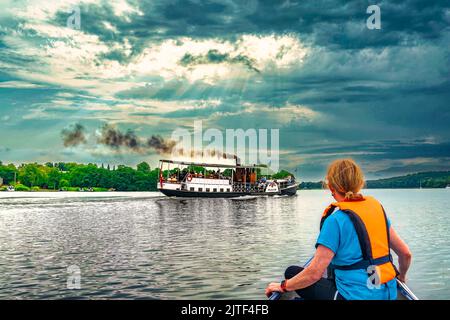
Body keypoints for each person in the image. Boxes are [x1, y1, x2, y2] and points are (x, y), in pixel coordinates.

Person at [265, 159, 412, 300]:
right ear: (359, 183)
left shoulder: (335, 220)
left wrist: (283, 286)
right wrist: (402, 277)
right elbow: (405, 254)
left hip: (352, 297)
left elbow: (314, 274)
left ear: (331, 187)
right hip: (388, 295)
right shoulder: (377, 211)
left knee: (291, 272)